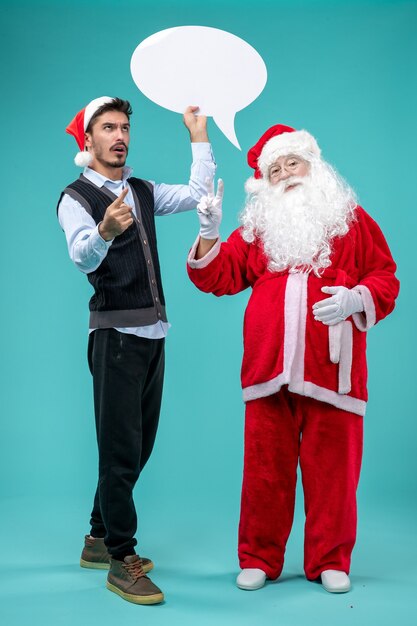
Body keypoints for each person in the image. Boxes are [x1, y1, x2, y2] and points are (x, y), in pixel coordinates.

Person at [187, 124, 399, 594]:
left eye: (292, 164)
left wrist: (356, 298)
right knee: (264, 472)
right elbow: (217, 276)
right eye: (275, 169)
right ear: (266, 182)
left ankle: (330, 559)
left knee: (334, 472)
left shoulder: (352, 220)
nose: (285, 174)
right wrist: (208, 234)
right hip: (268, 367)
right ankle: (260, 557)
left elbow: (386, 276)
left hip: (333, 371)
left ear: (312, 166)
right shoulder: (258, 231)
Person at [57, 96, 215, 604]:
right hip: (115, 337)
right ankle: (122, 559)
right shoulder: (76, 197)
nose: (119, 136)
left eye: (124, 127)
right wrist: (104, 231)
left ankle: (98, 538)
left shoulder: (142, 190)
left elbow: (197, 192)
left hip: (153, 333)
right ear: (88, 140)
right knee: (120, 450)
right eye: (107, 128)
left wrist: (197, 134)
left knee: (138, 445)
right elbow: (82, 256)